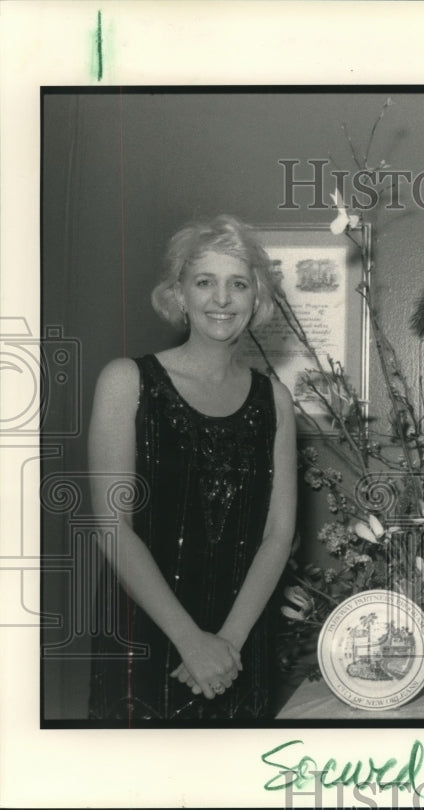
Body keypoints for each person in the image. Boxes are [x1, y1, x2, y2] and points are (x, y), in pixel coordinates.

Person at [87, 215, 296, 721]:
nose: (222, 299)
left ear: (257, 299)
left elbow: (278, 533)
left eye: (238, 284)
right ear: (179, 294)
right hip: (146, 634)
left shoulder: (276, 400)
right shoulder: (127, 382)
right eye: (205, 282)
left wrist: (227, 643)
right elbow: (112, 527)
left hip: (240, 642)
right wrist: (190, 641)